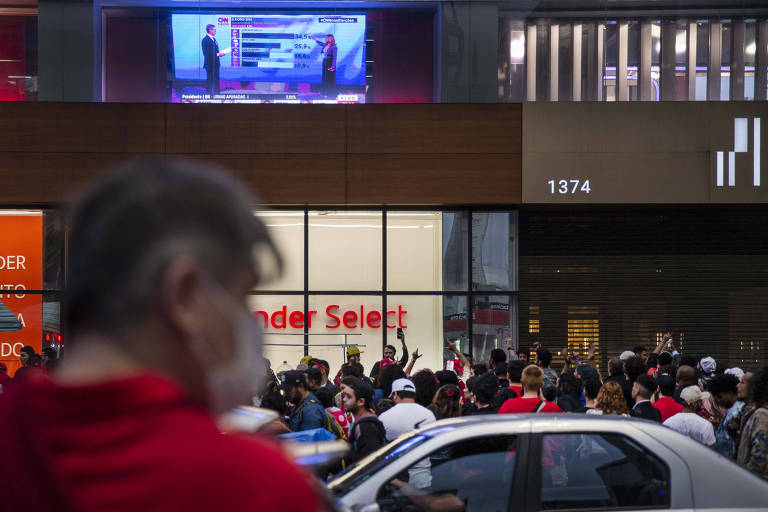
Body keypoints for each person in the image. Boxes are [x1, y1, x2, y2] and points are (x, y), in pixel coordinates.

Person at [0, 160, 321, 511]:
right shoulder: (252, 485)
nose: (248, 325)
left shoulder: (14, 438)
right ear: (185, 295)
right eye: (241, 295)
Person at [379, 378, 436, 489]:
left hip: (395, 479)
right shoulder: (429, 415)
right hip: (423, 478)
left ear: (395, 394)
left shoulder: (384, 417)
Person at [342, 379, 386, 464]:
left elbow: (368, 462)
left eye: (349, 397)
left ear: (361, 401)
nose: (344, 399)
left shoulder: (366, 426)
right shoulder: (364, 422)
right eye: (344, 396)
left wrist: (346, 448)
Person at [736, 367, 768, 480]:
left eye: (743, 382)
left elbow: (758, 460)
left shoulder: (761, 415)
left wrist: (744, 478)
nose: (737, 386)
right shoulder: (751, 411)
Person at [498, 365, 563, 414]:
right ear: (541, 384)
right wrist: (544, 400)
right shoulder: (553, 408)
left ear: (522, 382)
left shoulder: (508, 406)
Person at [709, 373, 742, 458]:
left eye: (719, 397)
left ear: (730, 393)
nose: (718, 401)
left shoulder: (736, 412)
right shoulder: (731, 410)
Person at [202, 24, 225, 95]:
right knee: (210, 80)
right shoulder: (205, 40)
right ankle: (208, 95)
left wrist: (219, 54)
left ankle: (217, 95)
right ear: (210, 30)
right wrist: (218, 54)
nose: (216, 31)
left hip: (216, 64)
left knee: (216, 80)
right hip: (210, 64)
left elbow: (215, 51)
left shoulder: (214, 39)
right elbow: (206, 53)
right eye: (214, 29)